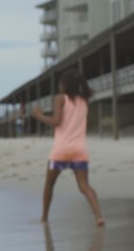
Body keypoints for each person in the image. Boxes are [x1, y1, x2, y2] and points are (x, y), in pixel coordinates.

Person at [32, 68, 104, 226]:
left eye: (61, 83)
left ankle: (44, 217)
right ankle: (98, 216)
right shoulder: (84, 100)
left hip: (61, 150)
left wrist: (39, 116)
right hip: (80, 150)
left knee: (49, 183)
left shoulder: (60, 99)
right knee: (85, 186)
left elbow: (56, 121)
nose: (59, 85)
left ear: (65, 85)